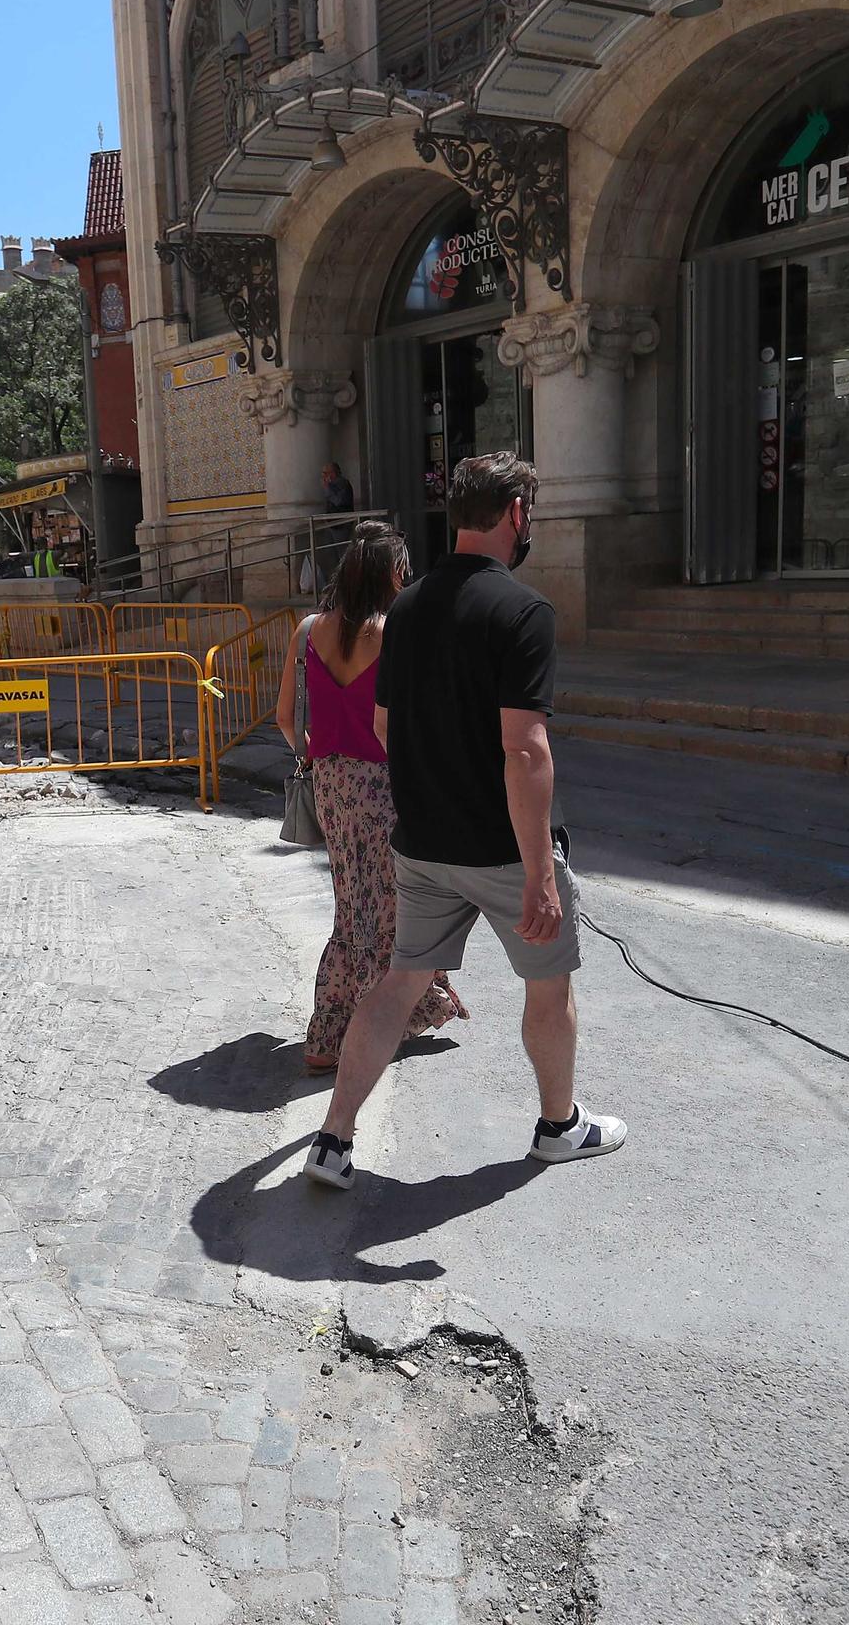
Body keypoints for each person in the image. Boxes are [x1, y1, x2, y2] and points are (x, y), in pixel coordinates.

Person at [303, 453, 626, 1189]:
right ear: (516, 511)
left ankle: (333, 1140)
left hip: (421, 845)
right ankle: (558, 1126)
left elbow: (387, 727)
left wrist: (427, 799)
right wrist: (540, 871)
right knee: (548, 989)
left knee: (396, 986)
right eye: (530, 513)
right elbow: (525, 748)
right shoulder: (524, 612)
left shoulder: (408, 606)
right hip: (501, 849)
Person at [276, 521, 464, 1075]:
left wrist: (314, 754)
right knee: (393, 911)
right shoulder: (394, 634)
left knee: (350, 905)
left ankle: (325, 1035)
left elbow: (285, 718)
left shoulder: (308, 630)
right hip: (387, 786)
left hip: (332, 785)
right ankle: (374, 1028)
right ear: (391, 574)